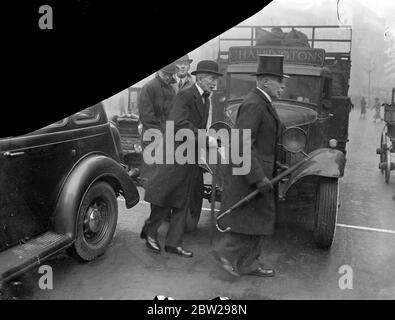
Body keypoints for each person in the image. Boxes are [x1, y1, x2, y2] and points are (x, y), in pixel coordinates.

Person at [212, 55, 287, 277]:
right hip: (249, 175)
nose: (282, 87)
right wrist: (257, 177)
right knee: (250, 218)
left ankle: (249, 264)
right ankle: (224, 251)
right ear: (265, 82)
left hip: (257, 170)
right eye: (279, 82)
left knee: (258, 220)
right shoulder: (254, 104)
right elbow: (241, 145)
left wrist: (276, 165)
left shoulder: (262, 102)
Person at [140, 60, 223, 257]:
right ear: (200, 78)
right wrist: (204, 139)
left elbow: (197, 127)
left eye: (216, 79)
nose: (214, 83)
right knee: (166, 196)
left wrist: (207, 141)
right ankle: (150, 232)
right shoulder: (186, 95)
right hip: (175, 154)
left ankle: (173, 243)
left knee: (183, 200)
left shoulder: (206, 98)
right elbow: (178, 124)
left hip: (190, 154)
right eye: (211, 79)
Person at [137, 63, 177, 182]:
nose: (168, 78)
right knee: (152, 174)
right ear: (159, 71)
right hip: (152, 136)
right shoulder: (149, 87)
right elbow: (146, 116)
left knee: (164, 174)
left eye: (170, 75)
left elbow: (174, 113)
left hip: (167, 136)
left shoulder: (171, 89)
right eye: (165, 74)